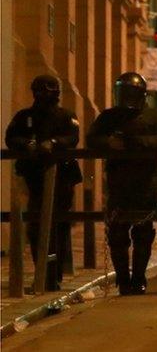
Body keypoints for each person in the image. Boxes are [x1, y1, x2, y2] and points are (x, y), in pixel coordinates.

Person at [87, 73, 157, 294]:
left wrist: (137, 143)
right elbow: (92, 139)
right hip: (119, 183)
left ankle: (139, 277)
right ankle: (123, 279)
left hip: (146, 183)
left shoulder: (152, 117)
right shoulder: (109, 117)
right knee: (118, 233)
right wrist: (109, 142)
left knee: (143, 233)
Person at [4, 75, 81, 291]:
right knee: (36, 228)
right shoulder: (25, 116)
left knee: (58, 226)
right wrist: (28, 144)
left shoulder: (66, 116)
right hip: (34, 179)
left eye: (49, 91)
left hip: (63, 179)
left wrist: (54, 143)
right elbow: (11, 137)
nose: (45, 95)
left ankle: (53, 276)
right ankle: (44, 274)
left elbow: (73, 137)